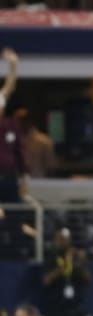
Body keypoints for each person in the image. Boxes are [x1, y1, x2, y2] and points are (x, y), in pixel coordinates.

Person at [0, 48, 23, 203]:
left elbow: (10, 87)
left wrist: (13, 65)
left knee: (13, 216)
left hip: (8, 176)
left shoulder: (9, 126)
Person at [15, 108, 56, 178]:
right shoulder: (13, 140)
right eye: (17, 121)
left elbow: (51, 167)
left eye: (21, 121)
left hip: (38, 182)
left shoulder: (44, 141)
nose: (18, 124)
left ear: (29, 121)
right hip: (17, 182)